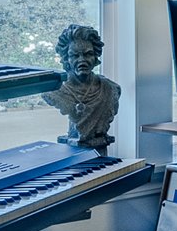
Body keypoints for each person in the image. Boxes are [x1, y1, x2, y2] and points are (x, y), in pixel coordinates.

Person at [44, 23, 120, 152]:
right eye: (75, 55)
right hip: (74, 154)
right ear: (66, 59)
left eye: (88, 54)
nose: (82, 60)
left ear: (95, 57)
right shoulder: (55, 91)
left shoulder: (111, 89)